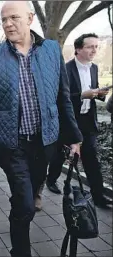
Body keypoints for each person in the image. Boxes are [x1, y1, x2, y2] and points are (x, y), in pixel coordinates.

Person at [0, 2, 83, 256]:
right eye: (3, 19)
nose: (8, 23)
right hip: (11, 145)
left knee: (28, 197)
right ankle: (20, 251)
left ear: (30, 18)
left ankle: (20, 209)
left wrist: (74, 138)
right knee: (25, 204)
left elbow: (63, 97)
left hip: (45, 143)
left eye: (14, 17)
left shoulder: (52, 50)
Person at [46, 33, 112, 208]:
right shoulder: (66, 70)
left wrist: (99, 94)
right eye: (90, 47)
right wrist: (83, 95)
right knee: (60, 155)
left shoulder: (94, 68)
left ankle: (99, 197)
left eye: (96, 47)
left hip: (87, 121)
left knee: (92, 160)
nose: (94, 50)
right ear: (78, 49)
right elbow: (60, 98)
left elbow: (92, 92)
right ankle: (51, 180)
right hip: (68, 121)